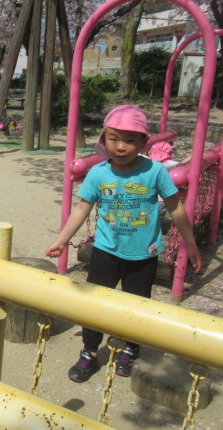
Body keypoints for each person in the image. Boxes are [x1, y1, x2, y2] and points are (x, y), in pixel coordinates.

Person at [45, 105, 202, 383]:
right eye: (114, 138)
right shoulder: (98, 173)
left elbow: (176, 207)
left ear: (143, 143)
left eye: (130, 140)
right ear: (104, 139)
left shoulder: (155, 171)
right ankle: (89, 352)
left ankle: (131, 348)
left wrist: (190, 244)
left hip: (143, 254)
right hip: (106, 251)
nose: (121, 146)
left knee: (136, 306)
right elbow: (81, 209)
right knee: (94, 304)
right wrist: (62, 240)